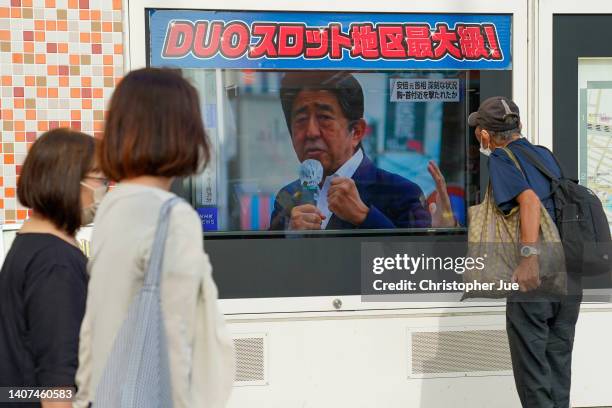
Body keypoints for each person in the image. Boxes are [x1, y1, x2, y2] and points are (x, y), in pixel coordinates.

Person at [73, 68, 235, 408]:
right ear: (181, 132)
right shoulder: (171, 216)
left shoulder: (112, 208)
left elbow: (94, 323)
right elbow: (176, 342)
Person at [469, 96, 582, 408]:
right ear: (519, 125)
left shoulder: (502, 159)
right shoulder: (545, 155)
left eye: (479, 130)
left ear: (485, 134)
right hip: (568, 276)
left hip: (538, 278)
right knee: (558, 370)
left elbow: (529, 201)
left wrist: (528, 258)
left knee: (533, 376)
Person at [0, 128, 107, 408]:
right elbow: (56, 383)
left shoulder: (29, 245)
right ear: (69, 181)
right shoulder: (55, 262)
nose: (103, 190)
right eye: (99, 179)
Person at [270, 71, 456, 231]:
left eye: (324, 117)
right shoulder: (287, 197)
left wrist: (365, 217)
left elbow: (419, 264)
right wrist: (288, 237)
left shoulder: (401, 192)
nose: (311, 132)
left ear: (357, 131)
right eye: (301, 120)